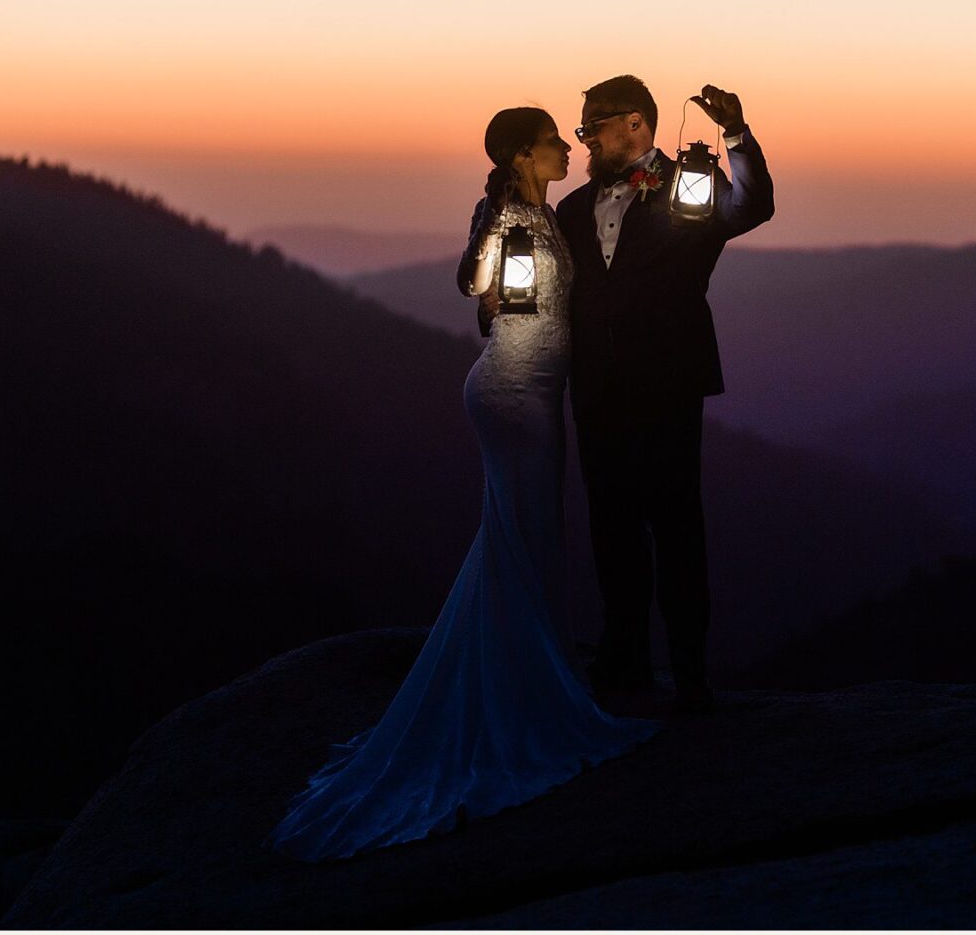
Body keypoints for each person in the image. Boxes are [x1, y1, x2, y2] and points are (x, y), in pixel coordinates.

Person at [263, 107, 659, 863]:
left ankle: (532, 676)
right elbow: (469, 280)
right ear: (521, 152)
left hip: (540, 391)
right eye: (551, 141)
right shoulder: (510, 211)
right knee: (522, 531)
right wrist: (490, 252)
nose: (564, 149)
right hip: (511, 392)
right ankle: (526, 696)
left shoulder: (543, 211)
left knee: (529, 535)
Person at [552, 75, 776, 715]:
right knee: (610, 529)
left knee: (677, 527)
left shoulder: (689, 187)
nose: (586, 136)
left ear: (635, 124)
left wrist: (734, 135)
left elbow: (752, 208)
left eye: (594, 124)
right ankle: (622, 661)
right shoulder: (572, 209)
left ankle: (689, 670)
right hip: (595, 390)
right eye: (582, 127)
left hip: (668, 384)